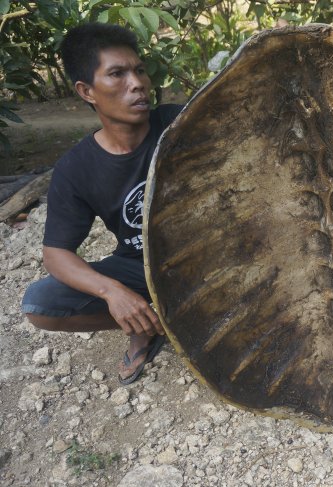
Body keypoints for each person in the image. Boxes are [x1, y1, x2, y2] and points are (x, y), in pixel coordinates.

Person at [21, 23, 183, 384]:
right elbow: (56, 254)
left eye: (139, 70)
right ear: (87, 91)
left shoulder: (180, 122)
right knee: (41, 304)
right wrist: (113, 292)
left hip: (214, 252)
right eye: (117, 74)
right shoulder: (75, 168)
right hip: (143, 264)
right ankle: (153, 325)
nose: (137, 82)